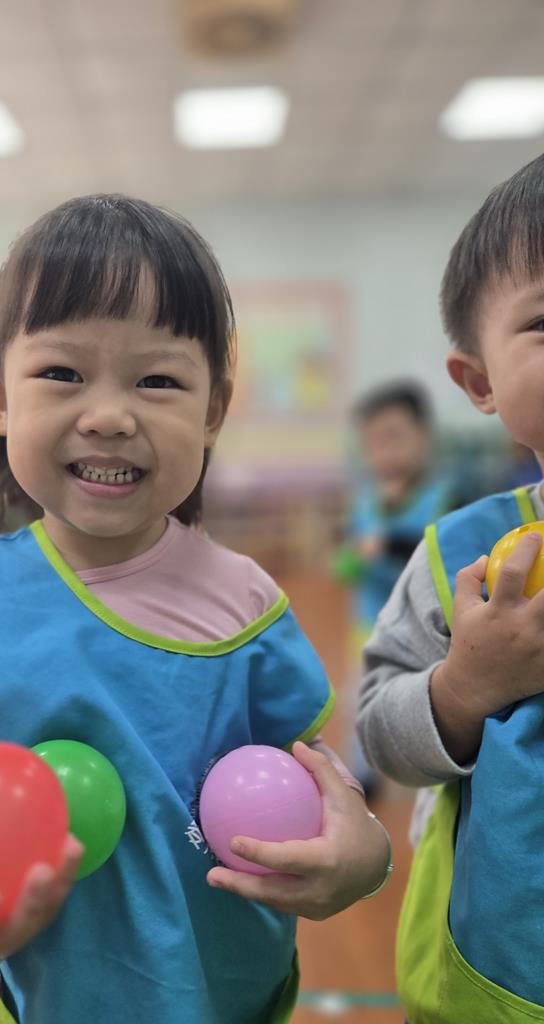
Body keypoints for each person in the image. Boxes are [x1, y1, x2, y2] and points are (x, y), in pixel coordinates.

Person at [0, 194, 391, 1024]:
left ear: (213, 409)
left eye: (158, 380)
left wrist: (365, 855)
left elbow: (311, 771)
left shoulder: (248, 604)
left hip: (213, 993)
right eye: (62, 374)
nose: (109, 417)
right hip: (19, 998)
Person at [357, 153, 544, 1023]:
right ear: (480, 382)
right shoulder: (460, 552)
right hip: (505, 979)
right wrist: (465, 687)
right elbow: (380, 730)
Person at [333, 380, 453, 795]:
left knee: (426, 701)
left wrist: (387, 544)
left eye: (394, 437)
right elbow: (348, 553)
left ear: (424, 436)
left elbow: (441, 554)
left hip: (428, 630)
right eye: (373, 442)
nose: (383, 452)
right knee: (362, 698)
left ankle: (430, 773)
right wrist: (349, 558)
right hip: (371, 623)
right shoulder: (366, 500)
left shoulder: (444, 498)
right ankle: (361, 775)